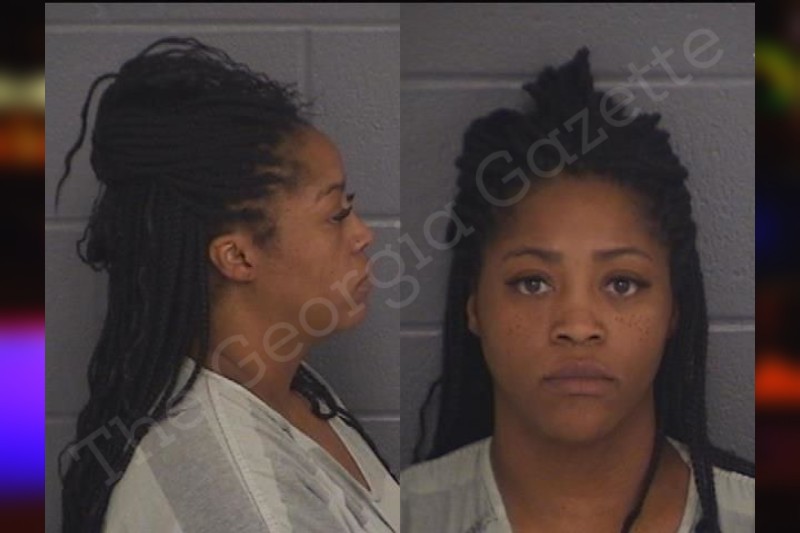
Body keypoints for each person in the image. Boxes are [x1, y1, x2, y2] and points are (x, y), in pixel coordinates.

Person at [401, 48, 754, 532]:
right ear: (475, 306)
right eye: (532, 283)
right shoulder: (403, 515)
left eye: (622, 283)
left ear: (674, 309)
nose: (578, 326)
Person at [55, 37, 399, 533]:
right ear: (237, 257)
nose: (364, 235)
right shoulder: (245, 504)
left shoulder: (283, 384)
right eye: (336, 214)